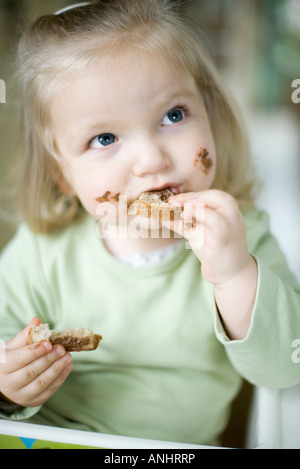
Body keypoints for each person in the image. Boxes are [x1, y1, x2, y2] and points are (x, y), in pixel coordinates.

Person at [0, 0, 299, 446]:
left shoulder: (245, 237)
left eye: (173, 115)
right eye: (104, 138)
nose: (152, 160)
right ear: (62, 173)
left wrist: (235, 273)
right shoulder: (41, 251)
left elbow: (285, 368)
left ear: (211, 116)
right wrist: (9, 389)